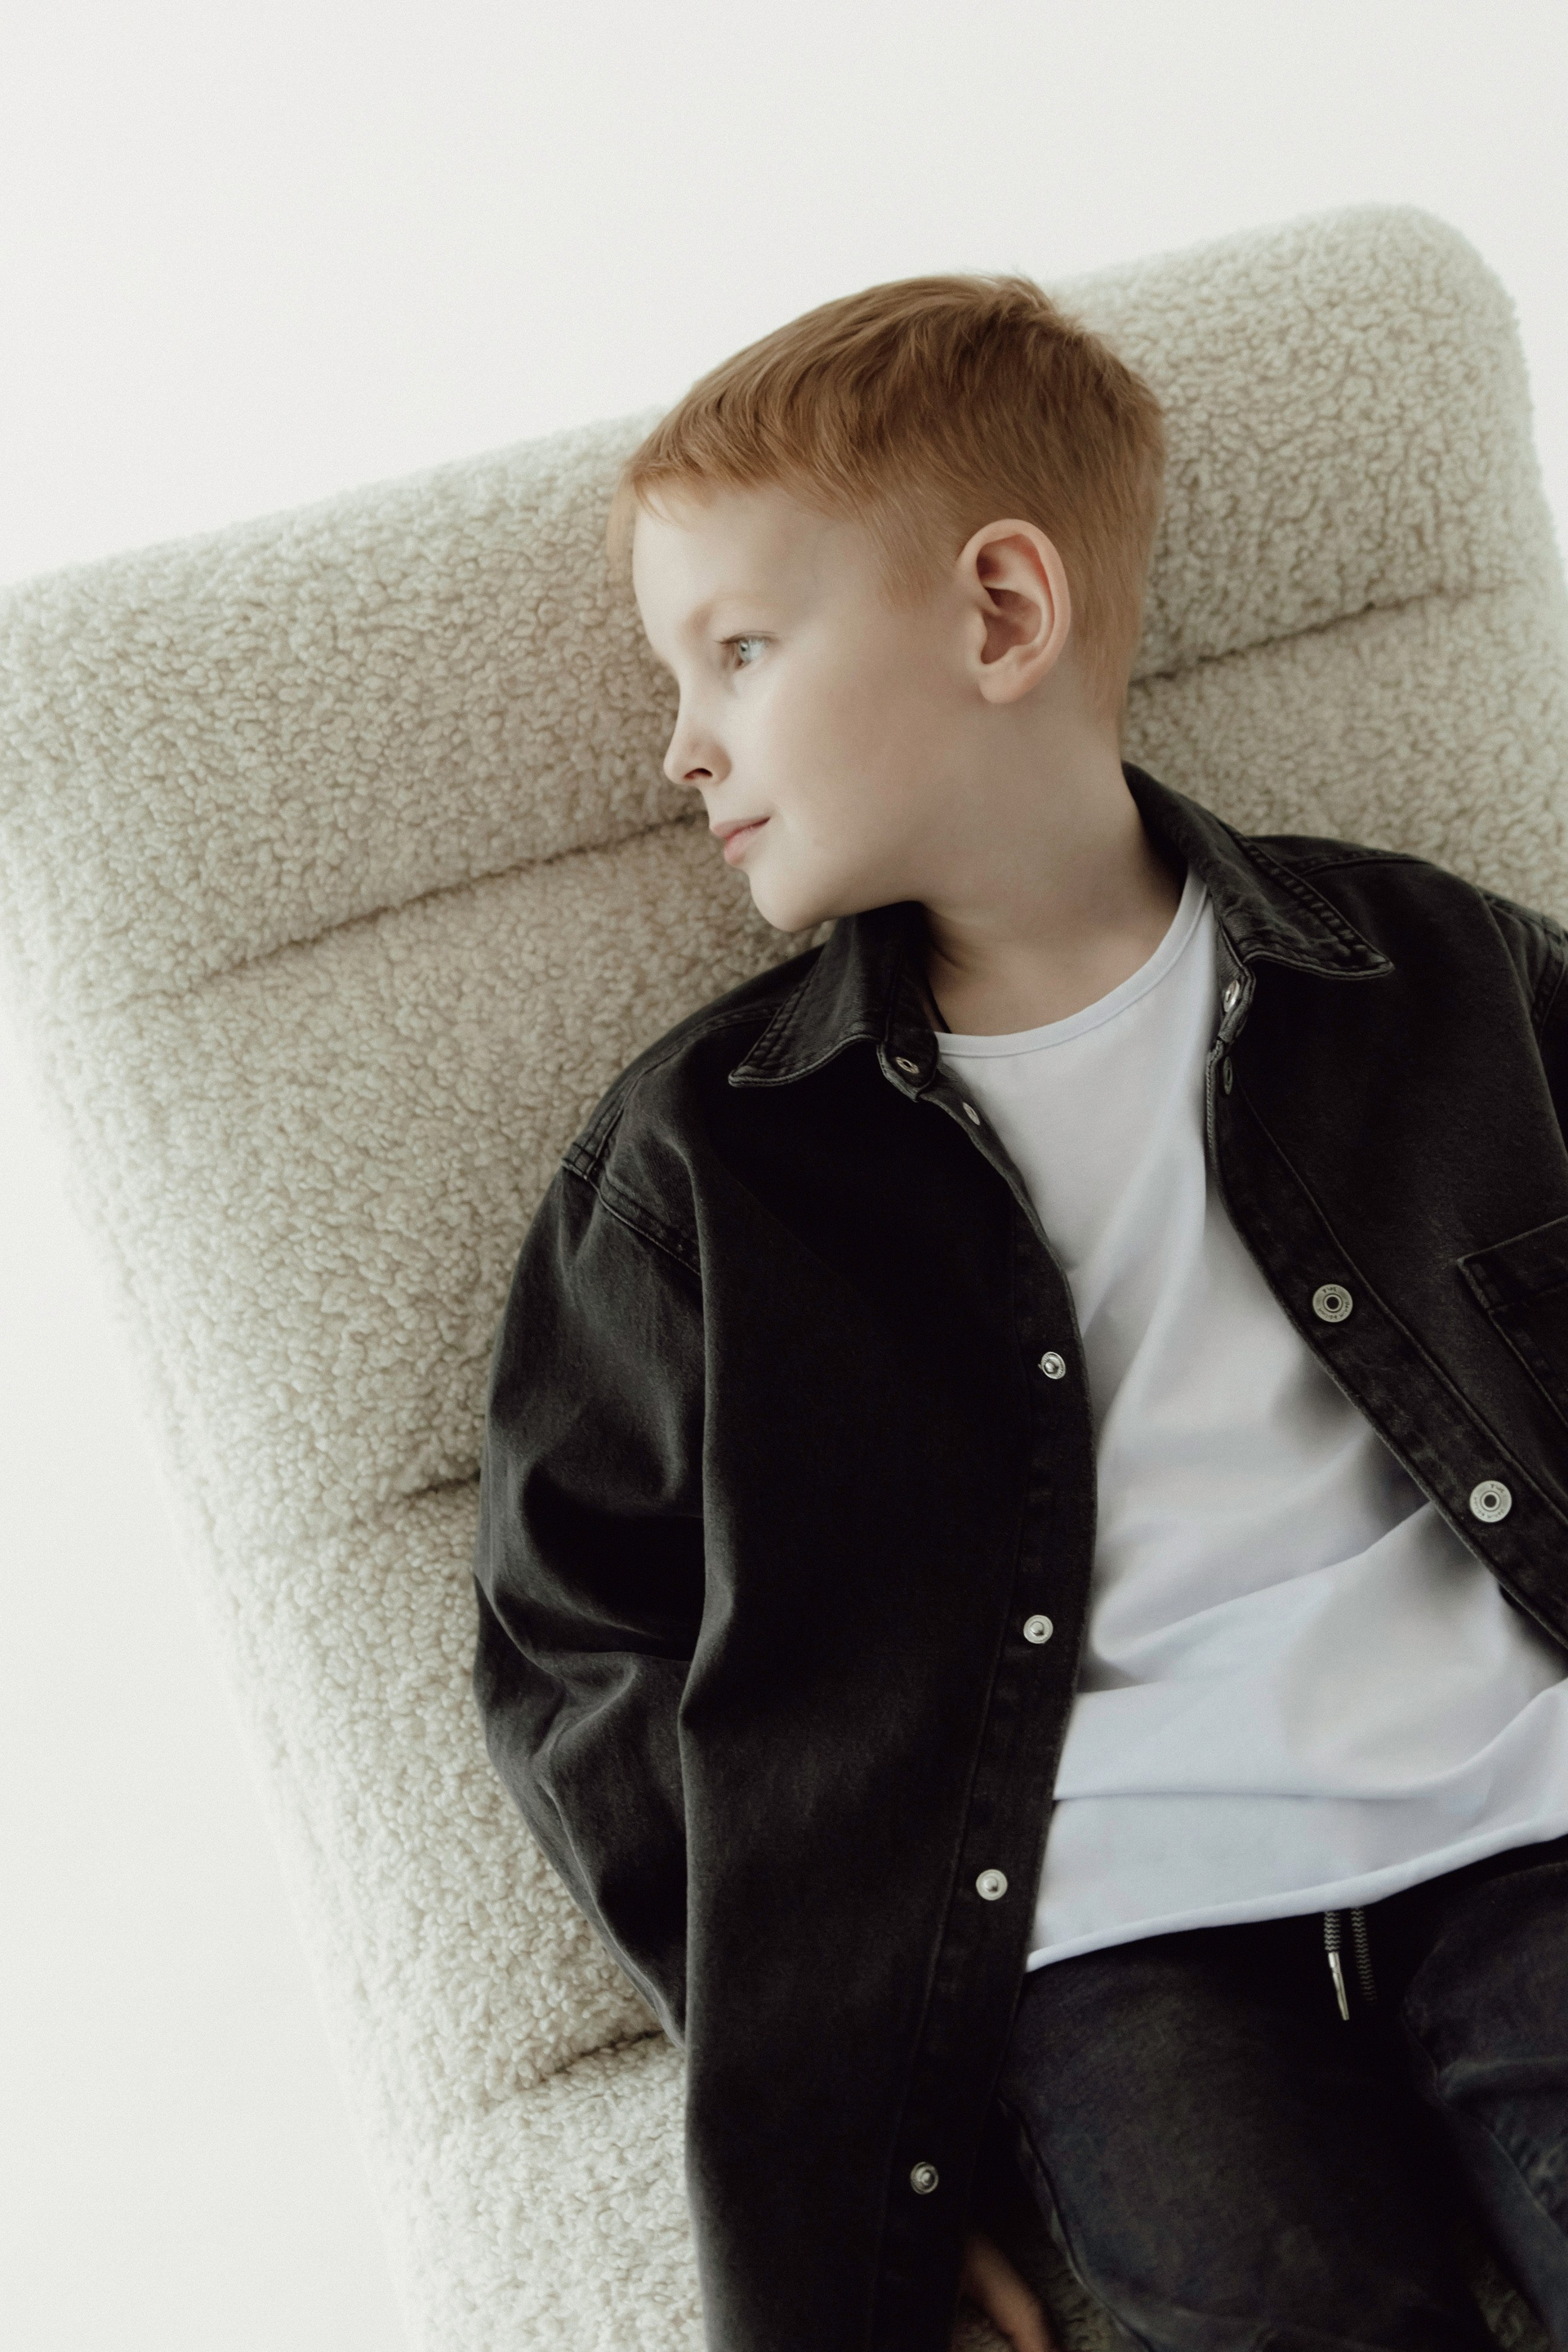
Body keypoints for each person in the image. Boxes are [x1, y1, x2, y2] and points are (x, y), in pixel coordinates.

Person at [470, 273, 1568, 2352]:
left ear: (1000, 614)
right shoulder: (705, 1168)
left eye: (737, 651)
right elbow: (572, 1641)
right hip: (1115, 1920)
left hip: (1527, 1805)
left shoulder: (1439, 978)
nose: (680, 745)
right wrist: (822, 2080)